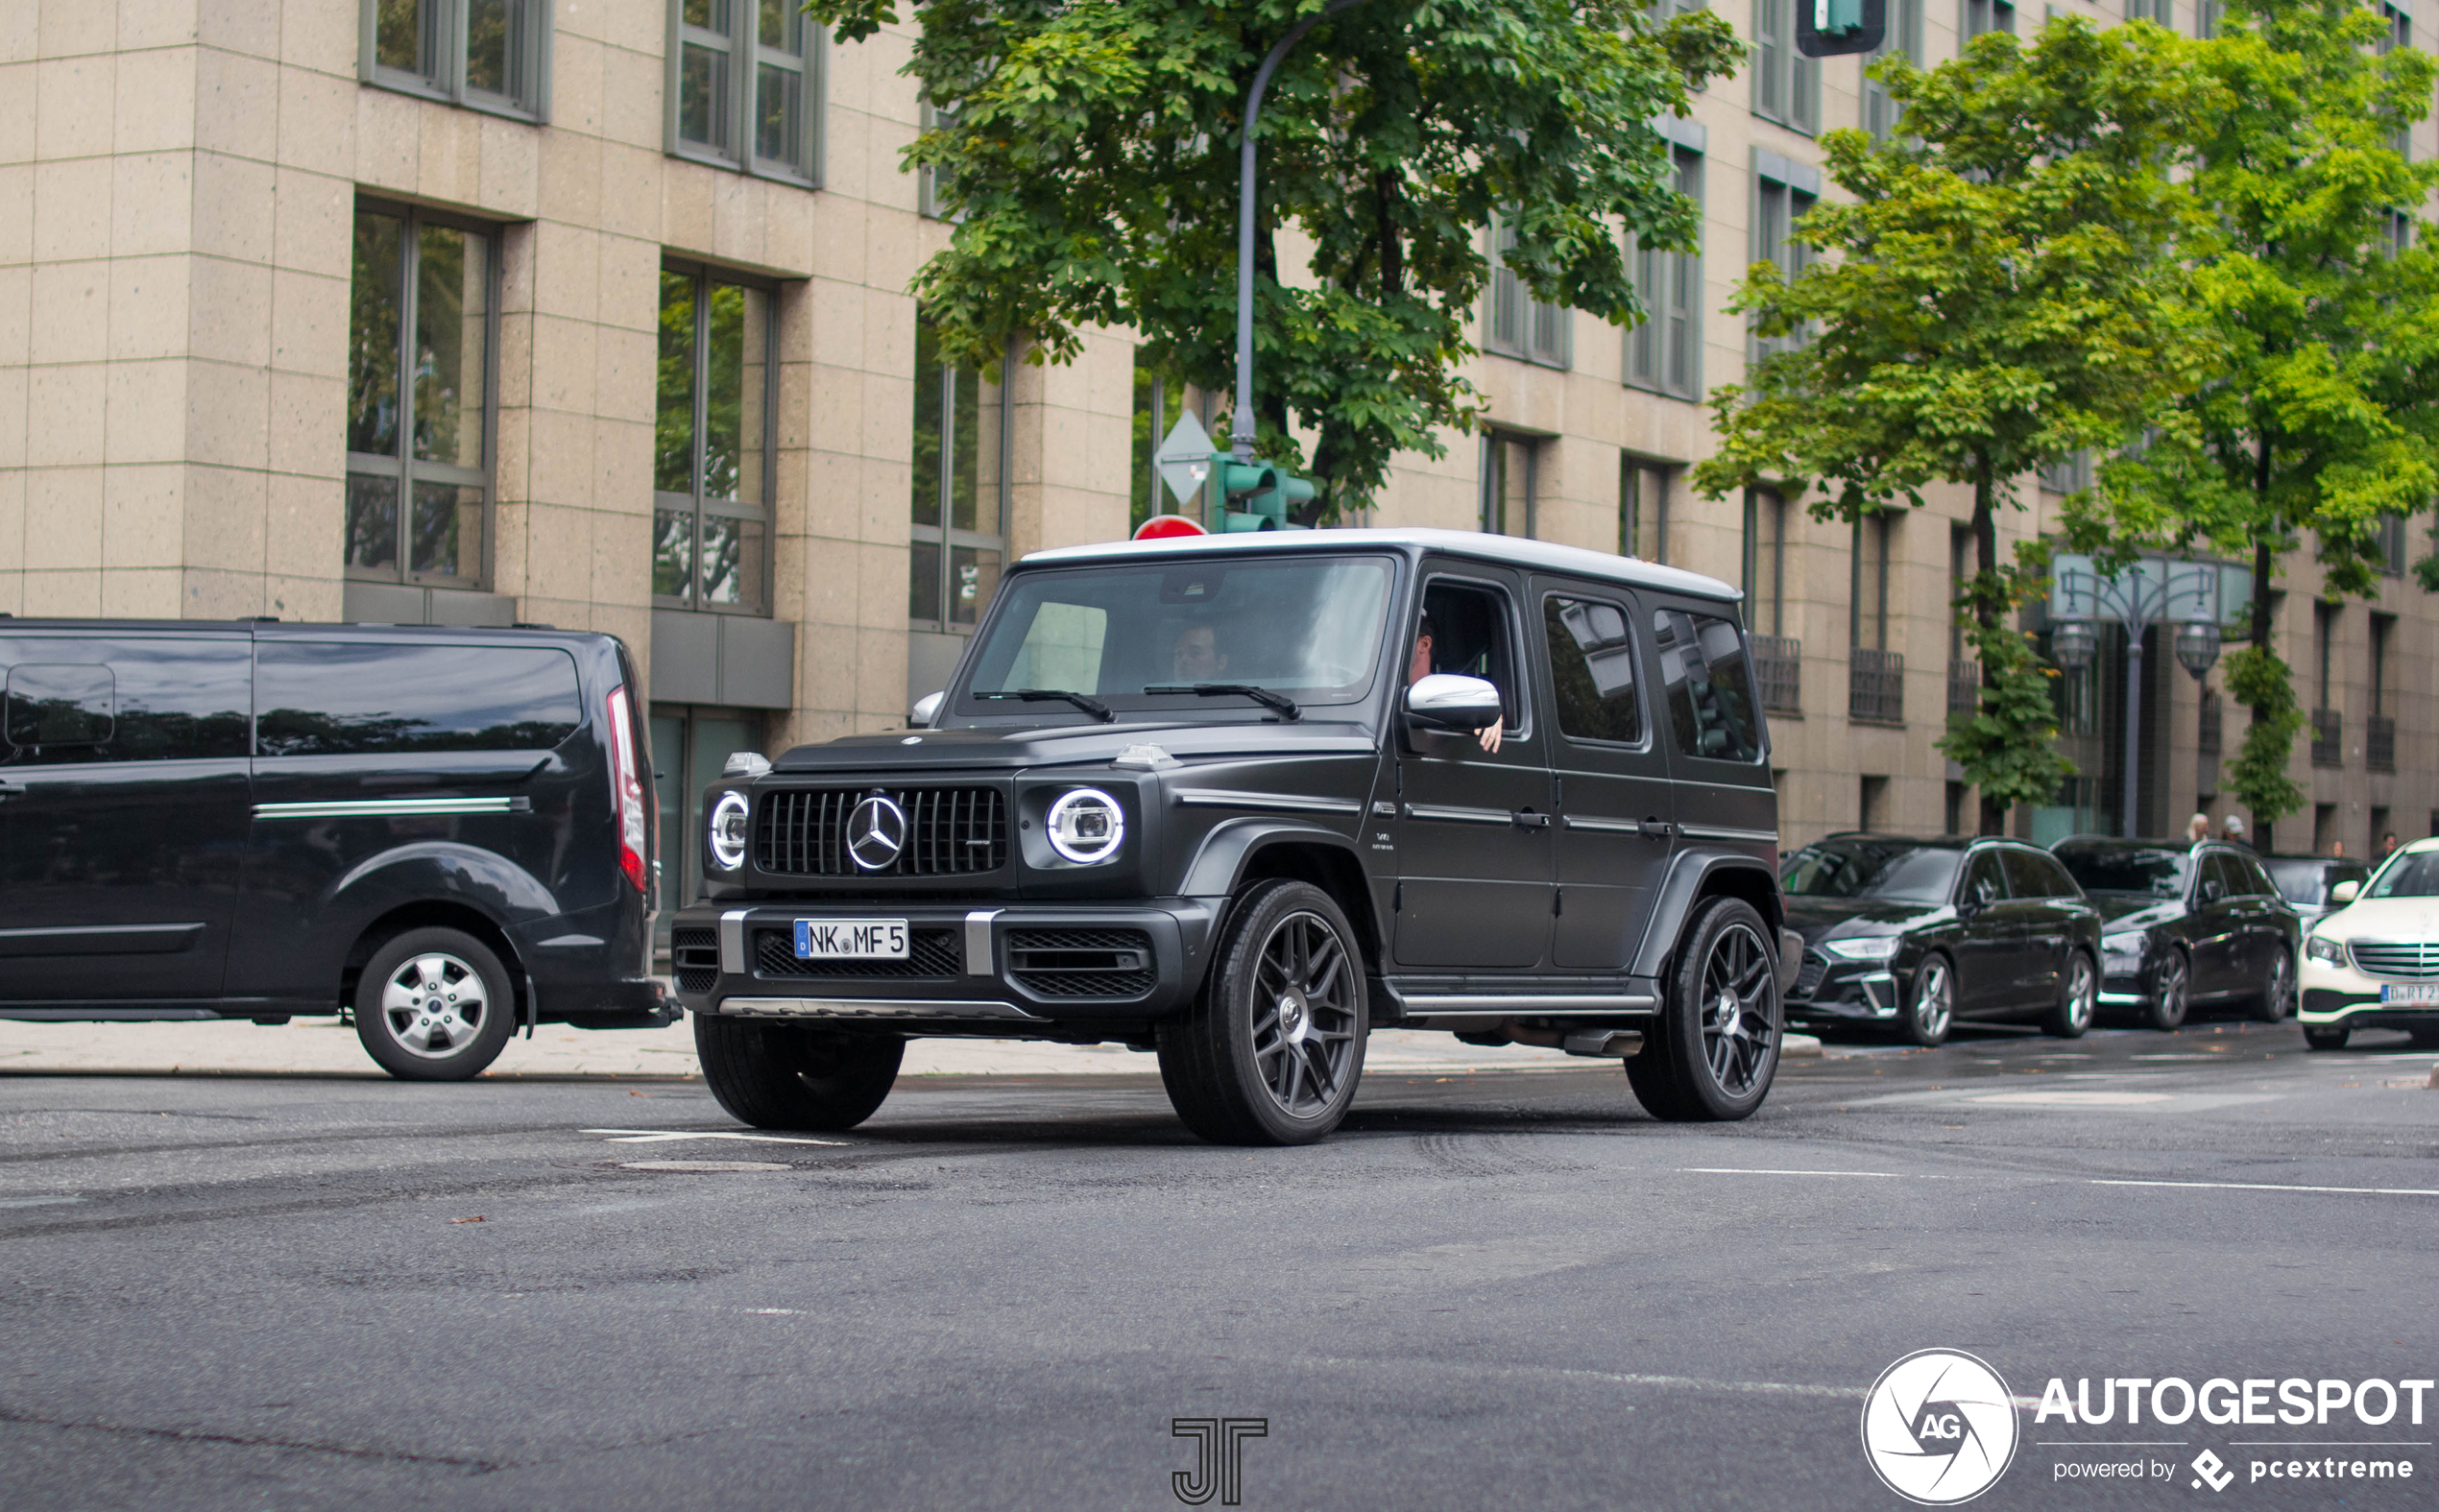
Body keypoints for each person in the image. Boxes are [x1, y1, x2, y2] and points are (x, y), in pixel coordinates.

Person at [1410, 611, 1502, 753]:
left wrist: (1492, 719)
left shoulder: (1447, 693)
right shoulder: (1379, 694)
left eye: (1402, 637)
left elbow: (1477, 713)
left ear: (1424, 644)